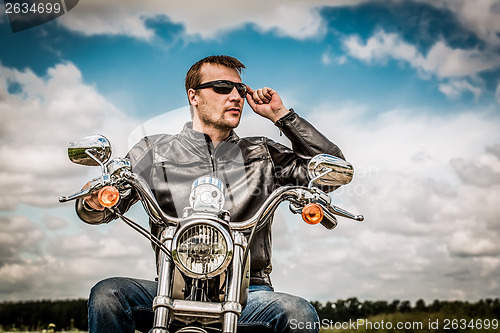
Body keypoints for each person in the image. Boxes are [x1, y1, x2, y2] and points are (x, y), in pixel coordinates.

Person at [76, 55, 345, 333]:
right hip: (172, 285)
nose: (235, 97)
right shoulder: (154, 151)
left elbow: (330, 170)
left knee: (295, 312)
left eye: (240, 90)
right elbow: (98, 209)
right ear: (193, 96)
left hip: (249, 290)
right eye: (221, 87)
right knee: (108, 295)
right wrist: (95, 200)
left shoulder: (263, 154)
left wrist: (282, 116)